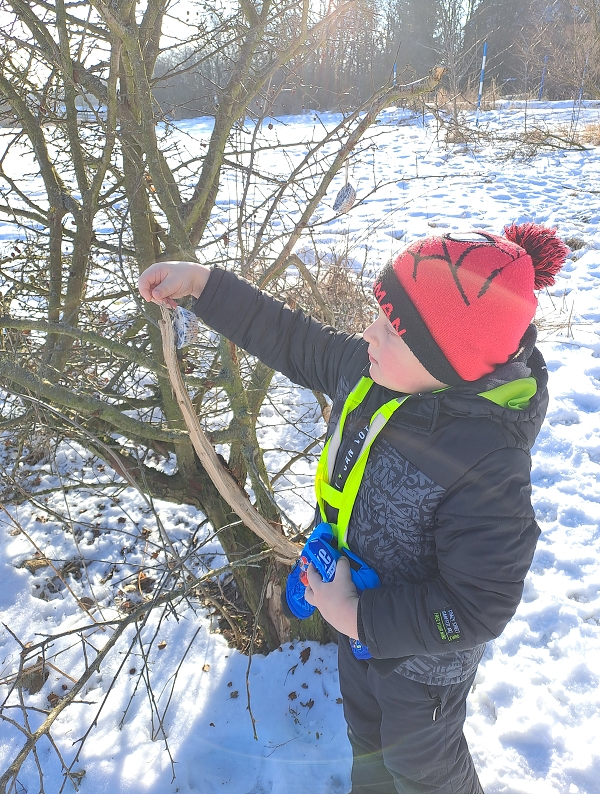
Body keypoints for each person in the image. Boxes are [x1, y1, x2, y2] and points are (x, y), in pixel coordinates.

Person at [137, 224, 568, 794]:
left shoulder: (486, 462)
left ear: (450, 362)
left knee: (424, 769)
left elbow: (479, 607)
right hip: (357, 636)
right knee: (367, 745)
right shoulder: (375, 372)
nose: (368, 333)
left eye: (391, 329)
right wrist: (203, 285)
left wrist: (361, 617)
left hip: (421, 668)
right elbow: (289, 337)